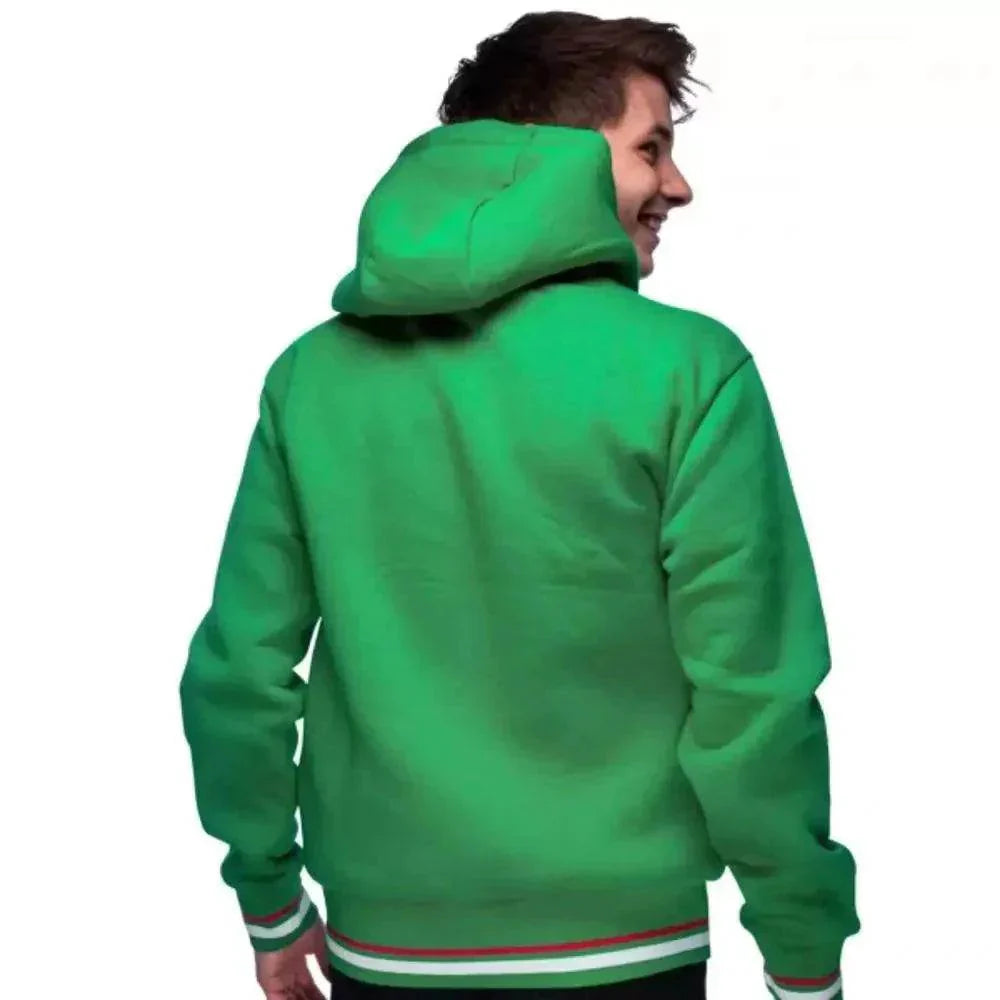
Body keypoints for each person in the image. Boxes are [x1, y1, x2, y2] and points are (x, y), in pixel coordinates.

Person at [179, 12, 860, 1000]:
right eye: (651, 148)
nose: (677, 185)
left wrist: (270, 899)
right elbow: (752, 696)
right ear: (556, 158)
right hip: (625, 949)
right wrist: (803, 950)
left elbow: (238, 674)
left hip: (389, 947)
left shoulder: (312, 378)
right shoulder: (687, 370)